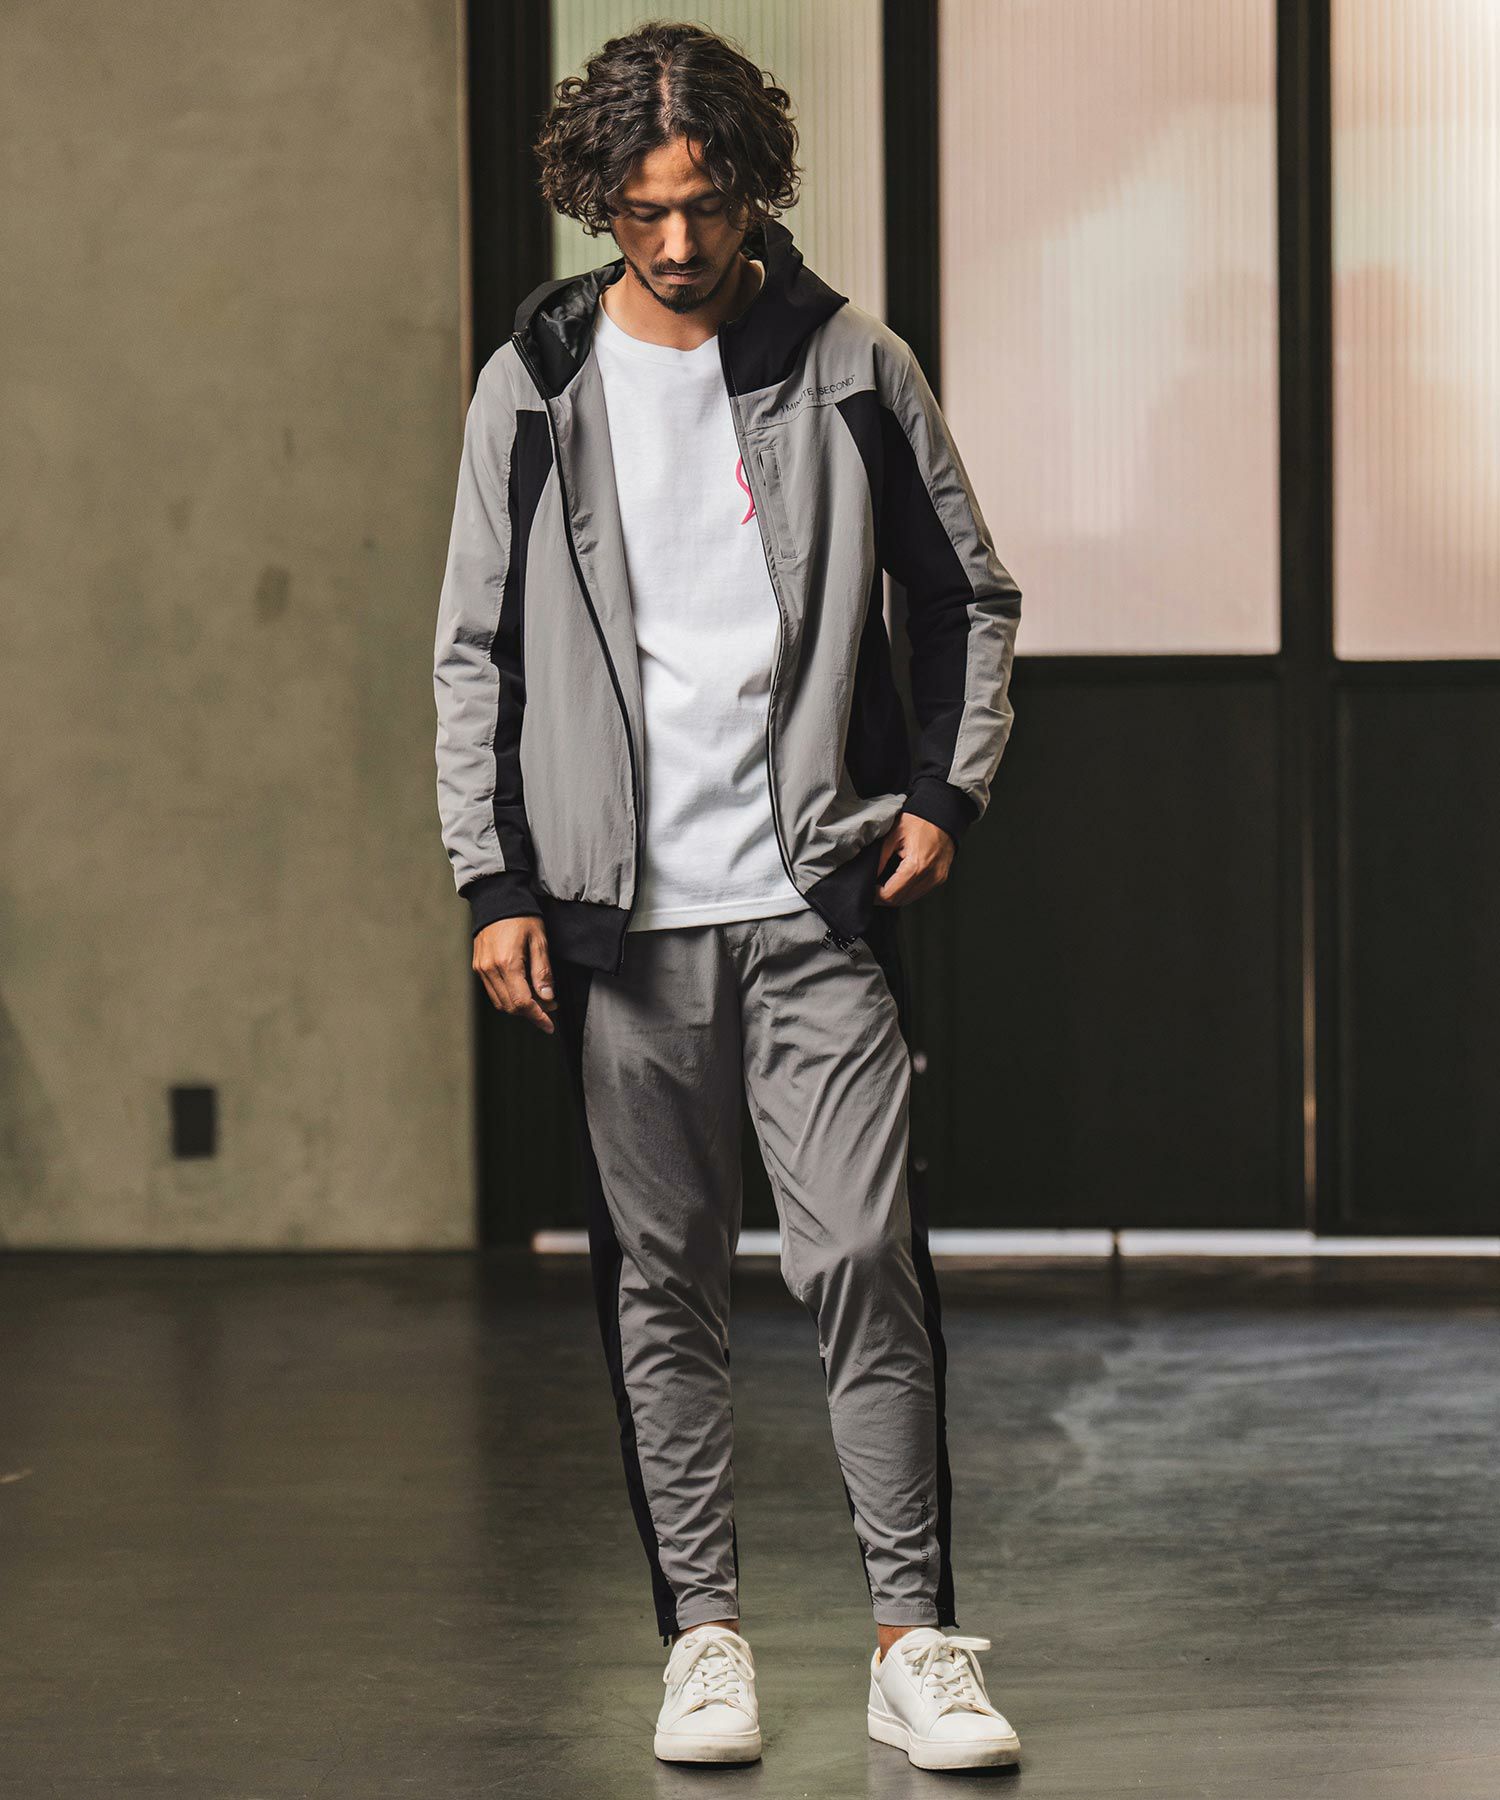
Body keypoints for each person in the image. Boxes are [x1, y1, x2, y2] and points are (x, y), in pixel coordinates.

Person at [433, 19, 1022, 1775]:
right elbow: (474, 652)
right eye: (642, 211)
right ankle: (704, 1637)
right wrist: (492, 876)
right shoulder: (537, 379)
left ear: (754, 188)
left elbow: (965, 594)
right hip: (616, 923)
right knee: (662, 1284)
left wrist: (945, 792)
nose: (677, 242)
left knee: (862, 1257)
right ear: (596, 203)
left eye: (705, 204)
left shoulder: (850, 359)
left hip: (814, 902)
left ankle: (914, 1642)